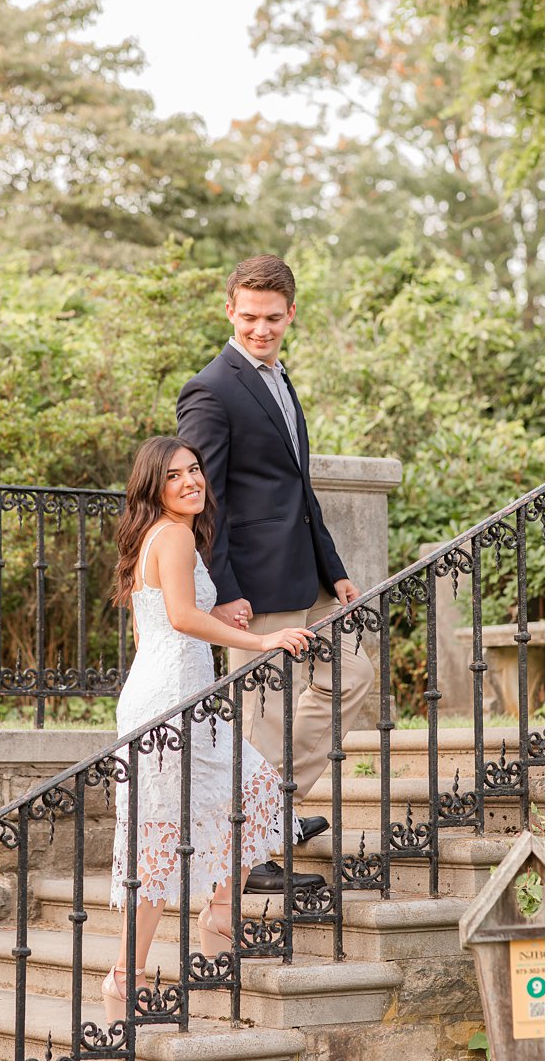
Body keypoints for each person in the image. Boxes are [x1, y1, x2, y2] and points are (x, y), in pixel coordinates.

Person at [177, 253, 375, 895]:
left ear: (291, 313)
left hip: (305, 574)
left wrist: (335, 571)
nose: (261, 328)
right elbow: (206, 499)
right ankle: (254, 855)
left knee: (353, 674)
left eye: (273, 317)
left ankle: (271, 808)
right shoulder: (212, 387)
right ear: (229, 311)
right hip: (253, 584)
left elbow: (297, 486)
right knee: (260, 712)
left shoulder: (279, 379)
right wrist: (226, 590)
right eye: (249, 316)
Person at [103, 436, 314, 1024]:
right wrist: (263, 639)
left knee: (252, 794)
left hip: (175, 694)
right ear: (155, 487)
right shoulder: (170, 535)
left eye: (195, 470)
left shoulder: (169, 536)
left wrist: (216, 616)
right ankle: (124, 981)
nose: (191, 481)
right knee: (159, 841)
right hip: (170, 704)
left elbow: (157, 627)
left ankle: (221, 915)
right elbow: (176, 618)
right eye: (175, 476)